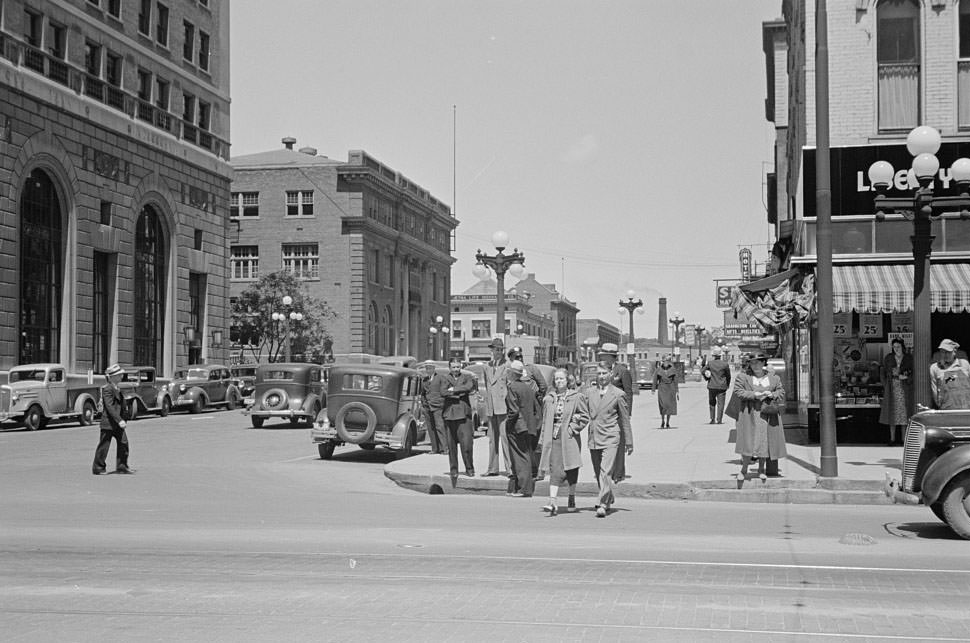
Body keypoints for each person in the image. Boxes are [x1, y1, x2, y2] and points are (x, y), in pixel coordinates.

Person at [570, 362, 633, 518]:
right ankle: (608, 496)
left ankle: (602, 503)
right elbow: (578, 405)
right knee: (598, 472)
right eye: (599, 373)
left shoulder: (618, 394)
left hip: (611, 436)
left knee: (605, 472)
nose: (601, 376)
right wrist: (575, 416)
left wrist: (629, 441)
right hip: (594, 436)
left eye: (604, 373)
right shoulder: (589, 392)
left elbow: (625, 419)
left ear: (610, 374)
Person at [732, 352, 787, 482]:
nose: (755, 365)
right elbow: (738, 391)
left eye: (758, 362)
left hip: (767, 413)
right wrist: (754, 395)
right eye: (752, 362)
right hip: (749, 413)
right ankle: (744, 470)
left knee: (764, 441)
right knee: (748, 442)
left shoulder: (774, 378)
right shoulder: (743, 377)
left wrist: (772, 394)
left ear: (763, 363)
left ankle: (761, 470)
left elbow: (781, 391)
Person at [537, 368, 583, 515]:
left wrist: (572, 428)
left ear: (567, 380)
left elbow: (584, 416)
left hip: (569, 438)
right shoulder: (549, 399)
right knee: (555, 469)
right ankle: (552, 501)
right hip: (554, 439)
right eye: (556, 379)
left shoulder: (576, 397)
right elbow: (545, 421)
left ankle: (571, 497)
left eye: (561, 379)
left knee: (571, 469)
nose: (559, 381)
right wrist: (542, 439)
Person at [597, 342, 633, 483]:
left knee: (619, 442)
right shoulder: (601, 371)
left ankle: (618, 472)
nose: (602, 358)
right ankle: (607, 469)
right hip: (604, 412)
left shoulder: (622, 371)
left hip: (618, 412)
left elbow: (628, 392)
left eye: (604, 355)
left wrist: (627, 412)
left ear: (611, 356)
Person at [505, 360, 540, 497]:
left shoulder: (512, 387)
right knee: (525, 455)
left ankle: (523, 489)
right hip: (529, 426)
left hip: (517, 427)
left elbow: (513, 411)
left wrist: (509, 425)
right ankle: (520, 487)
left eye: (508, 371)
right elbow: (535, 408)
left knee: (520, 457)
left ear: (512, 373)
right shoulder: (527, 387)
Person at [92, 364, 133, 475]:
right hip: (109, 423)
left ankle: (122, 466)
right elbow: (110, 407)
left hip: (117, 423)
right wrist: (119, 420)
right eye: (119, 375)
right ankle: (98, 468)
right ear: (112, 377)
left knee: (123, 443)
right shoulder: (107, 389)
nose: (121, 376)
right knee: (104, 445)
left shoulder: (116, 388)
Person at [441, 357, 477, 483]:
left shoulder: (466, 377)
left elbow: (469, 387)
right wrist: (459, 392)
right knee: (451, 446)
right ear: (449, 368)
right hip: (449, 414)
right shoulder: (445, 378)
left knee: (467, 444)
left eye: (458, 367)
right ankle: (454, 469)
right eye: (453, 367)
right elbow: (443, 392)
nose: (456, 369)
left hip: (464, 415)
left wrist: (454, 390)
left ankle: (469, 468)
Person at [482, 337, 511, 477]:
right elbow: (488, 387)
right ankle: (492, 468)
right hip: (491, 408)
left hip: (503, 407)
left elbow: (511, 387)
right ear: (492, 350)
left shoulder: (507, 366)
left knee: (505, 438)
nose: (498, 352)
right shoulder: (486, 366)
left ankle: (510, 469)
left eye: (500, 349)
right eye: (495, 349)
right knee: (492, 439)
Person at [879, 338, 914, 446]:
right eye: (894, 347)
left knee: (904, 413)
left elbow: (913, 372)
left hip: (905, 388)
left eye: (898, 347)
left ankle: (904, 439)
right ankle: (892, 438)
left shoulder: (908, 358)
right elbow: (882, 372)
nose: (896, 349)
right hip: (892, 387)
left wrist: (907, 378)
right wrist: (885, 384)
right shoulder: (889, 358)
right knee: (892, 413)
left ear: (902, 347)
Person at [930, 339, 970, 410]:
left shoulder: (964, 364)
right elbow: (935, 391)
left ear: (954, 351)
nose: (945, 355)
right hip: (947, 411)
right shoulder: (935, 368)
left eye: (948, 352)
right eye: (942, 352)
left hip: (966, 410)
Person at [419, 361, 447, 455]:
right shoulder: (424, 380)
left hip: (438, 406)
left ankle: (444, 449)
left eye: (430, 368)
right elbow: (423, 393)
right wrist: (423, 404)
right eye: (427, 368)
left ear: (434, 369)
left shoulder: (440, 378)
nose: (428, 370)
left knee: (440, 426)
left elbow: (443, 391)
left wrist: (441, 402)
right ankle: (435, 449)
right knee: (431, 428)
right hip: (427, 407)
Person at [702, 346, 732, 424]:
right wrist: (727, 384)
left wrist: (707, 377)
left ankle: (712, 419)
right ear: (720, 355)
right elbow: (728, 376)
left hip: (712, 386)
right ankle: (719, 420)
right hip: (722, 386)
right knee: (721, 404)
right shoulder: (725, 364)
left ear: (713, 356)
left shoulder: (710, 363)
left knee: (712, 403)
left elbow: (702, 371)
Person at [652, 356, 679, 428]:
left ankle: (667, 422)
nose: (665, 363)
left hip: (670, 388)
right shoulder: (658, 370)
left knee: (669, 406)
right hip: (662, 388)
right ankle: (662, 420)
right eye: (664, 361)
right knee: (663, 405)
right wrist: (653, 389)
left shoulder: (673, 369)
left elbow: (675, 381)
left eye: (666, 361)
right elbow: (655, 380)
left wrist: (677, 391)